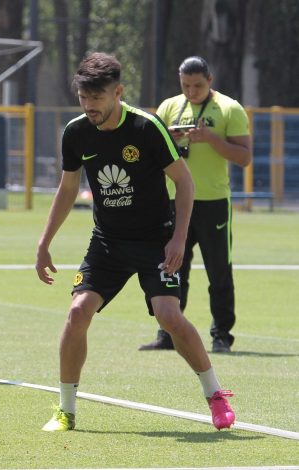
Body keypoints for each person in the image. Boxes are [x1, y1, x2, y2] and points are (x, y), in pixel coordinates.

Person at [35, 52, 235, 432]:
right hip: (107, 242)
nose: (90, 106)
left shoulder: (146, 127)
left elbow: (185, 181)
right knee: (77, 313)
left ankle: (214, 395)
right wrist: (45, 242)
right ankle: (66, 409)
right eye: (84, 98)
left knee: (169, 317)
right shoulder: (76, 132)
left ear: (118, 92)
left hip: (155, 240)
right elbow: (68, 188)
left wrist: (178, 239)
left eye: (98, 98)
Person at [139, 56, 252, 354]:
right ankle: (167, 334)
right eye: (186, 85)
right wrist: (172, 140)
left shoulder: (230, 108)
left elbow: (244, 157)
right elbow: (151, 152)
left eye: (198, 86)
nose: (191, 91)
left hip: (213, 203)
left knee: (219, 271)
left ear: (210, 80)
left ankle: (221, 336)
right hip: (174, 203)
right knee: (173, 268)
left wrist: (211, 139)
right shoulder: (168, 107)